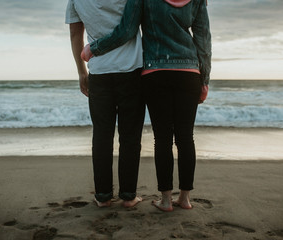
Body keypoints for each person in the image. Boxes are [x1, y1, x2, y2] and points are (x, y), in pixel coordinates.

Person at [82, 0, 211, 211]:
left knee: (162, 138)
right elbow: (204, 41)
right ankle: (185, 198)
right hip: (189, 72)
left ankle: (167, 200)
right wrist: (204, 80)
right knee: (186, 137)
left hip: (154, 71)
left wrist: (93, 48)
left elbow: (127, 30)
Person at [65, 0, 145, 208]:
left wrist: (82, 71)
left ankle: (103, 196)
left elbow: (76, 35)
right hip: (132, 70)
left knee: (101, 136)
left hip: (99, 72)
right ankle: (128, 196)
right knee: (130, 137)